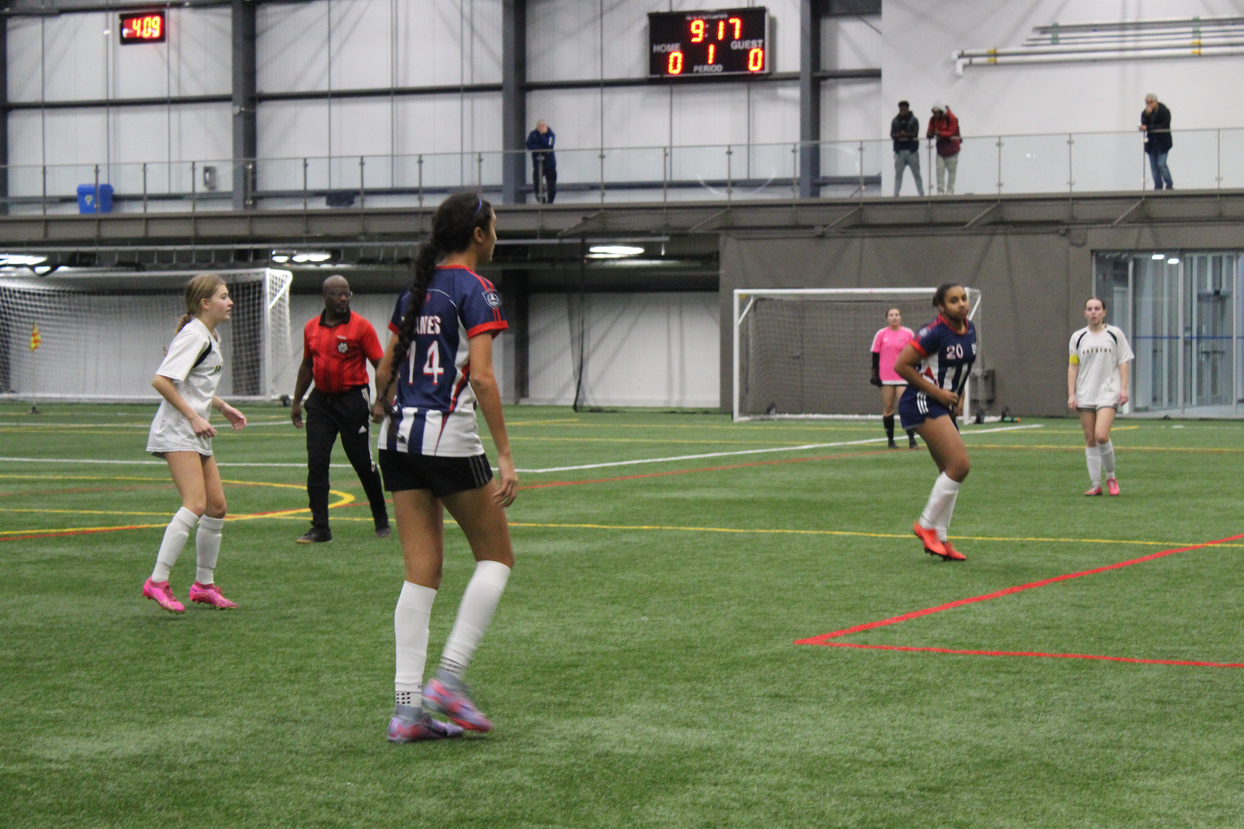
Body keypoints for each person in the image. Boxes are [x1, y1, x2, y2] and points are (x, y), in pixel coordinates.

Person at [371, 192, 517, 743]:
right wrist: (504, 453)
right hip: (447, 438)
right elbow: (480, 378)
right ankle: (449, 679)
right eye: (494, 227)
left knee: (421, 573)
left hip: (396, 440)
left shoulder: (416, 290)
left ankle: (407, 711)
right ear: (478, 235)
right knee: (497, 557)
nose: (497, 235)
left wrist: (382, 408)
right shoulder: (477, 289)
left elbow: (385, 366)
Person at [142, 274, 248, 612]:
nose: (229, 302)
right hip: (178, 431)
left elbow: (194, 385)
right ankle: (157, 581)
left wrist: (221, 407)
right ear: (205, 303)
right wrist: (193, 416)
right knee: (195, 504)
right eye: (223, 296)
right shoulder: (193, 335)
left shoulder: (210, 335)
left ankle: (203, 585)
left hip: (193, 433)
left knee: (216, 507)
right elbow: (161, 380)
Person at [290, 275, 390, 543]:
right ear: (325, 296)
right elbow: (307, 366)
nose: (344, 298)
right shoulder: (311, 327)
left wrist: (380, 400)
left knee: (362, 463)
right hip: (321, 403)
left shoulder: (362, 327)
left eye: (347, 294)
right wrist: (297, 401)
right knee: (317, 464)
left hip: (353, 401)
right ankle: (320, 528)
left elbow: (381, 365)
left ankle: (380, 517)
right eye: (337, 294)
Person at [894, 283, 977, 562]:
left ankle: (940, 539)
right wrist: (938, 392)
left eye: (963, 298)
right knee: (960, 465)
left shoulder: (970, 328)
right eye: (953, 301)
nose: (961, 304)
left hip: (943, 404)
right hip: (922, 401)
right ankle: (926, 524)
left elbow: (961, 370)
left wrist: (959, 396)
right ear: (941, 306)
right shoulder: (933, 332)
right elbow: (902, 365)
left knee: (949, 471)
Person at [1068, 297, 1133, 496]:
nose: (1093, 312)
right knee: (1090, 439)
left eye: (1097, 308)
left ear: (1104, 312)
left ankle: (1111, 476)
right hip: (1086, 393)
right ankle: (1095, 484)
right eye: (1090, 309)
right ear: (1085, 313)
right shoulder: (1078, 337)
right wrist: (1072, 393)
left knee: (1101, 436)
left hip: (1108, 393)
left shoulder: (1115, 334)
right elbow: (1073, 365)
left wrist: (1123, 388)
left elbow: (1123, 362)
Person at [871, 308, 919, 448]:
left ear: (901, 317)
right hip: (886, 376)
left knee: (905, 407)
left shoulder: (908, 333)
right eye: (891, 315)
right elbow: (875, 354)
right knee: (888, 407)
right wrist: (875, 373)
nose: (894, 317)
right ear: (887, 318)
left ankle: (912, 439)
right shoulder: (881, 334)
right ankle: (891, 440)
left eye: (896, 315)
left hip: (903, 375)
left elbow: (915, 352)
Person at [1139, 93, 1173, 190]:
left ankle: (1169, 184)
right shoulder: (1145, 113)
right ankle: (1158, 186)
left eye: (1150, 102)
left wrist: (1148, 127)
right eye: (1147, 103)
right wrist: (1147, 115)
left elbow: (1164, 125)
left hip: (1163, 143)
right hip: (1151, 143)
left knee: (1161, 164)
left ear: (1156, 101)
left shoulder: (1164, 111)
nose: (1148, 105)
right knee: (1154, 167)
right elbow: (1144, 123)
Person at [926, 102, 961, 195]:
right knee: (939, 170)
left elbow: (952, 132)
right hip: (941, 149)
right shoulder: (933, 120)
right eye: (934, 113)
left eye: (938, 112)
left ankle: (950, 190)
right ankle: (940, 190)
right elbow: (930, 131)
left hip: (952, 149)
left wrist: (940, 133)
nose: (936, 115)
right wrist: (930, 133)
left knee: (952, 171)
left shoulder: (952, 118)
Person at [891, 101, 924, 197]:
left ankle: (921, 192)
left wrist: (905, 135)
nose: (903, 111)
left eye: (904, 109)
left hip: (911, 150)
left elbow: (915, 133)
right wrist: (898, 135)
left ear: (908, 109)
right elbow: (892, 134)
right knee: (898, 174)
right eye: (901, 109)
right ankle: (896, 194)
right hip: (899, 151)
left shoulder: (913, 120)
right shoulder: (895, 121)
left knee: (916, 173)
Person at [525, 120, 557, 204]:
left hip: (550, 164)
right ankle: (541, 200)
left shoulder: (551, 135)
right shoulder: (533, 134)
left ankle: (550, 201)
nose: (541, 128)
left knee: (551, 184)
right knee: (537, 184)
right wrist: (539, 149)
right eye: (540, 126)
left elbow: (549, 145)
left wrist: (543, 135)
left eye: (543, 126)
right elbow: (529, 145)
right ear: (537, 127)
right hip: (537, 165)